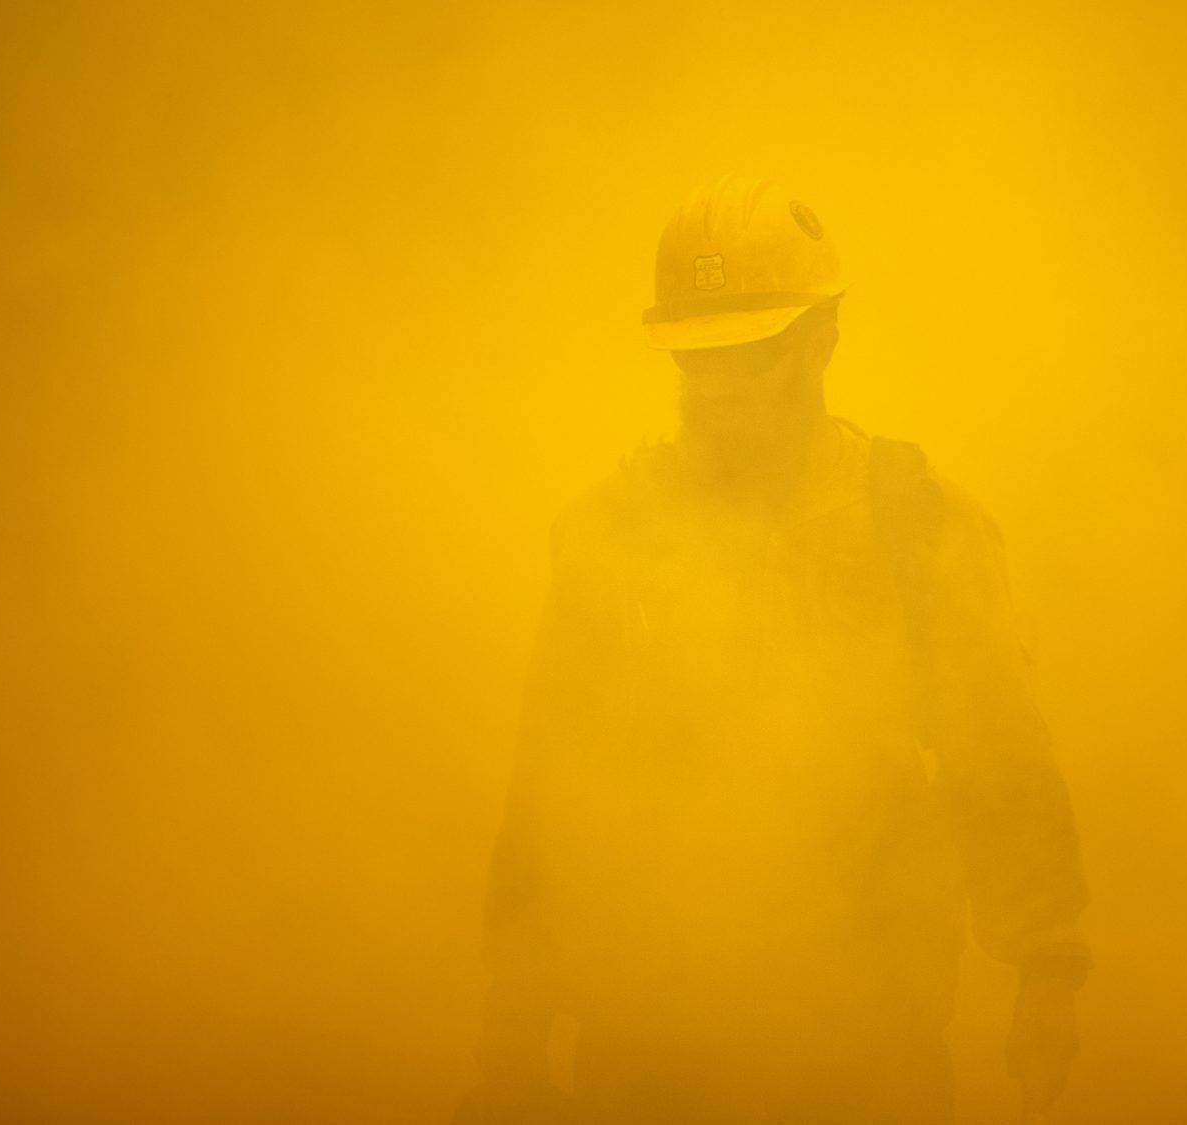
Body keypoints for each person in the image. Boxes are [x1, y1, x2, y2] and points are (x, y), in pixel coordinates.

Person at [458, 176, 1090, 1125]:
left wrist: (1047, 963)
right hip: (647, 1037)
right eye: (698, 359)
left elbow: (995, 745)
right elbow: (551, 783)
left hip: (864, 1041)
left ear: (821, 340)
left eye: (750, 356)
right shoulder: (610, 536)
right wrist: (512, 1024)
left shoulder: (913, 521)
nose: (719, 388)